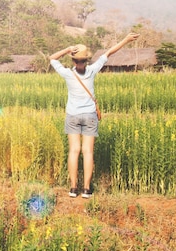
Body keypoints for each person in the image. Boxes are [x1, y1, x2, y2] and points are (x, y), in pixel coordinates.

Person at [49, 32, 140, 198]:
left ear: (74, 60)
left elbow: (52, 58)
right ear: (86, 60)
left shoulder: (68, 74)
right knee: (88, 152)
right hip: (90, 116)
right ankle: (86, 189)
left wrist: (67, 49)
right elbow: (110, 52)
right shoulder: (92, 70)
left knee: (74, 150)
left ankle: (73, 188)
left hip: (73, 116)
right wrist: (126, 40)